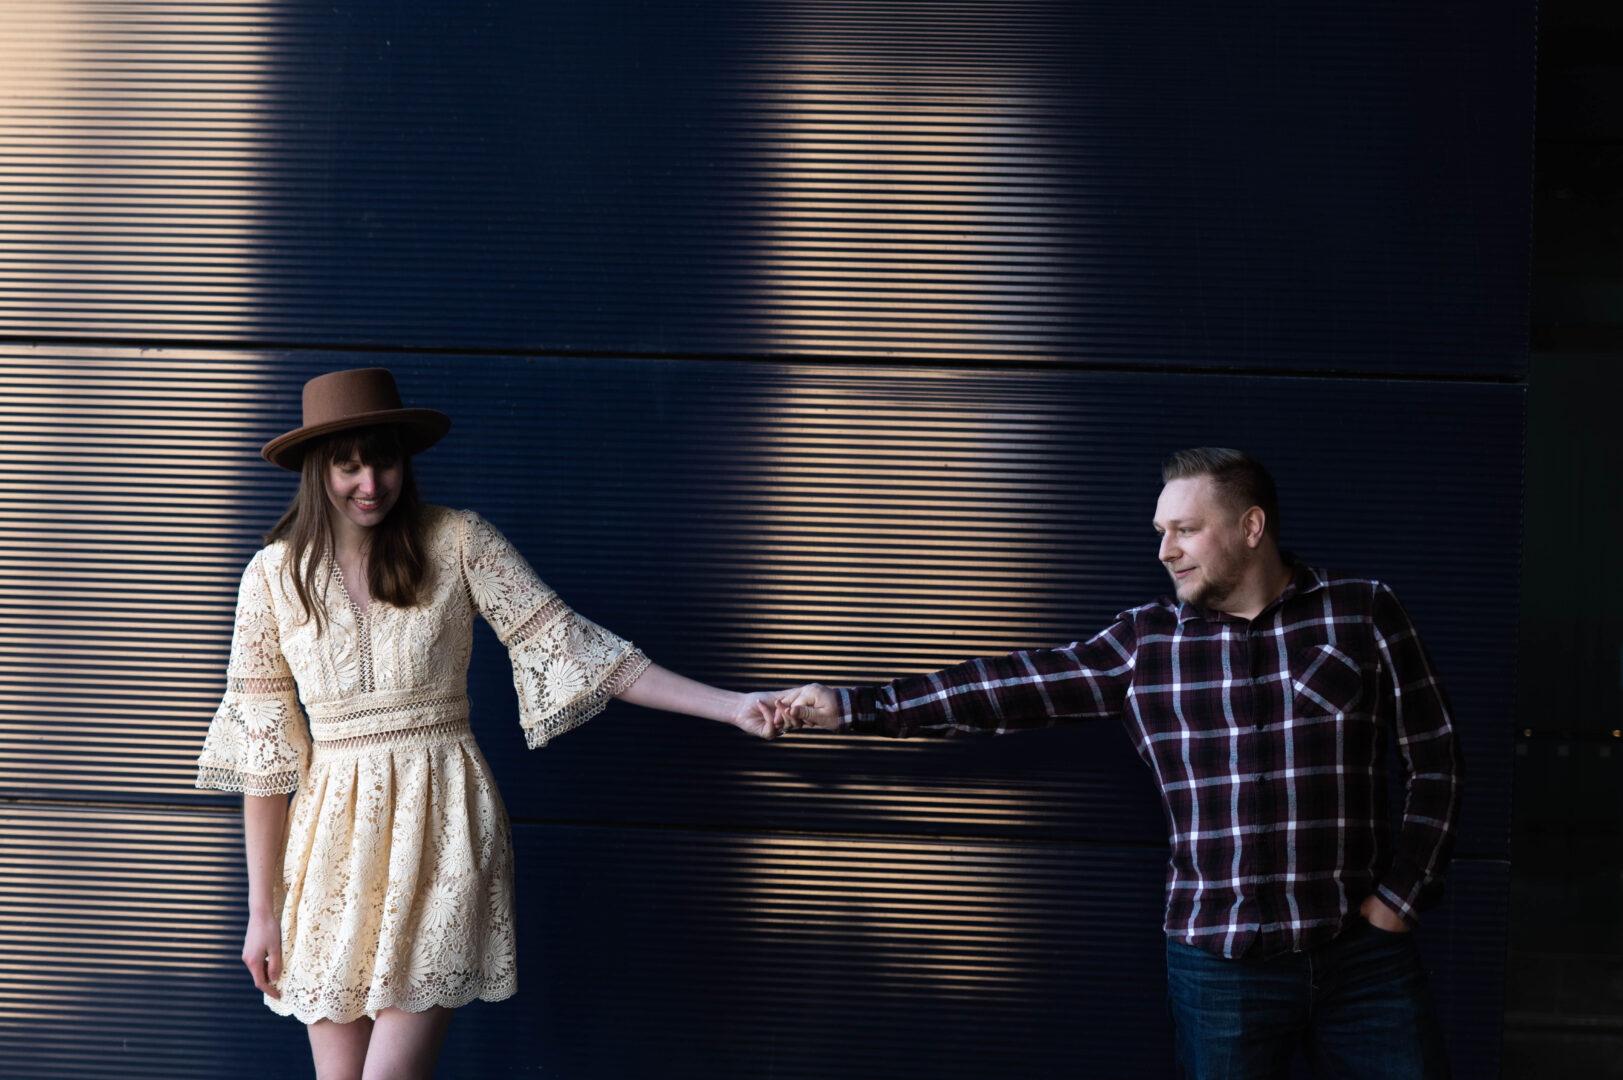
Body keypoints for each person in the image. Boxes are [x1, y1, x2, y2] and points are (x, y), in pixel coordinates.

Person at [774, 448, 1462, 1079]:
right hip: (1218, 965)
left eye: (1184, 530)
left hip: (1363, 958)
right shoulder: (1144, 643)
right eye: (1160, 532)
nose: (1164, 551)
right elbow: (1006, 689)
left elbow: (1435, 760)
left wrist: (1398, 900)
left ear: (1251, 527)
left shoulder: (1361, 611)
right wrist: (850, 706)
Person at [195, 368, 793, 1080]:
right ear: (317, 470)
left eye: (383, 460)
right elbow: (265, 762)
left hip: (441, 827)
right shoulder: (271, 577)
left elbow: (574, 647)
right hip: (327, 845)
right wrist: (262, 912)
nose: (370, 483)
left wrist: (733, 705)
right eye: (347, 466)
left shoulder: (456, 542)